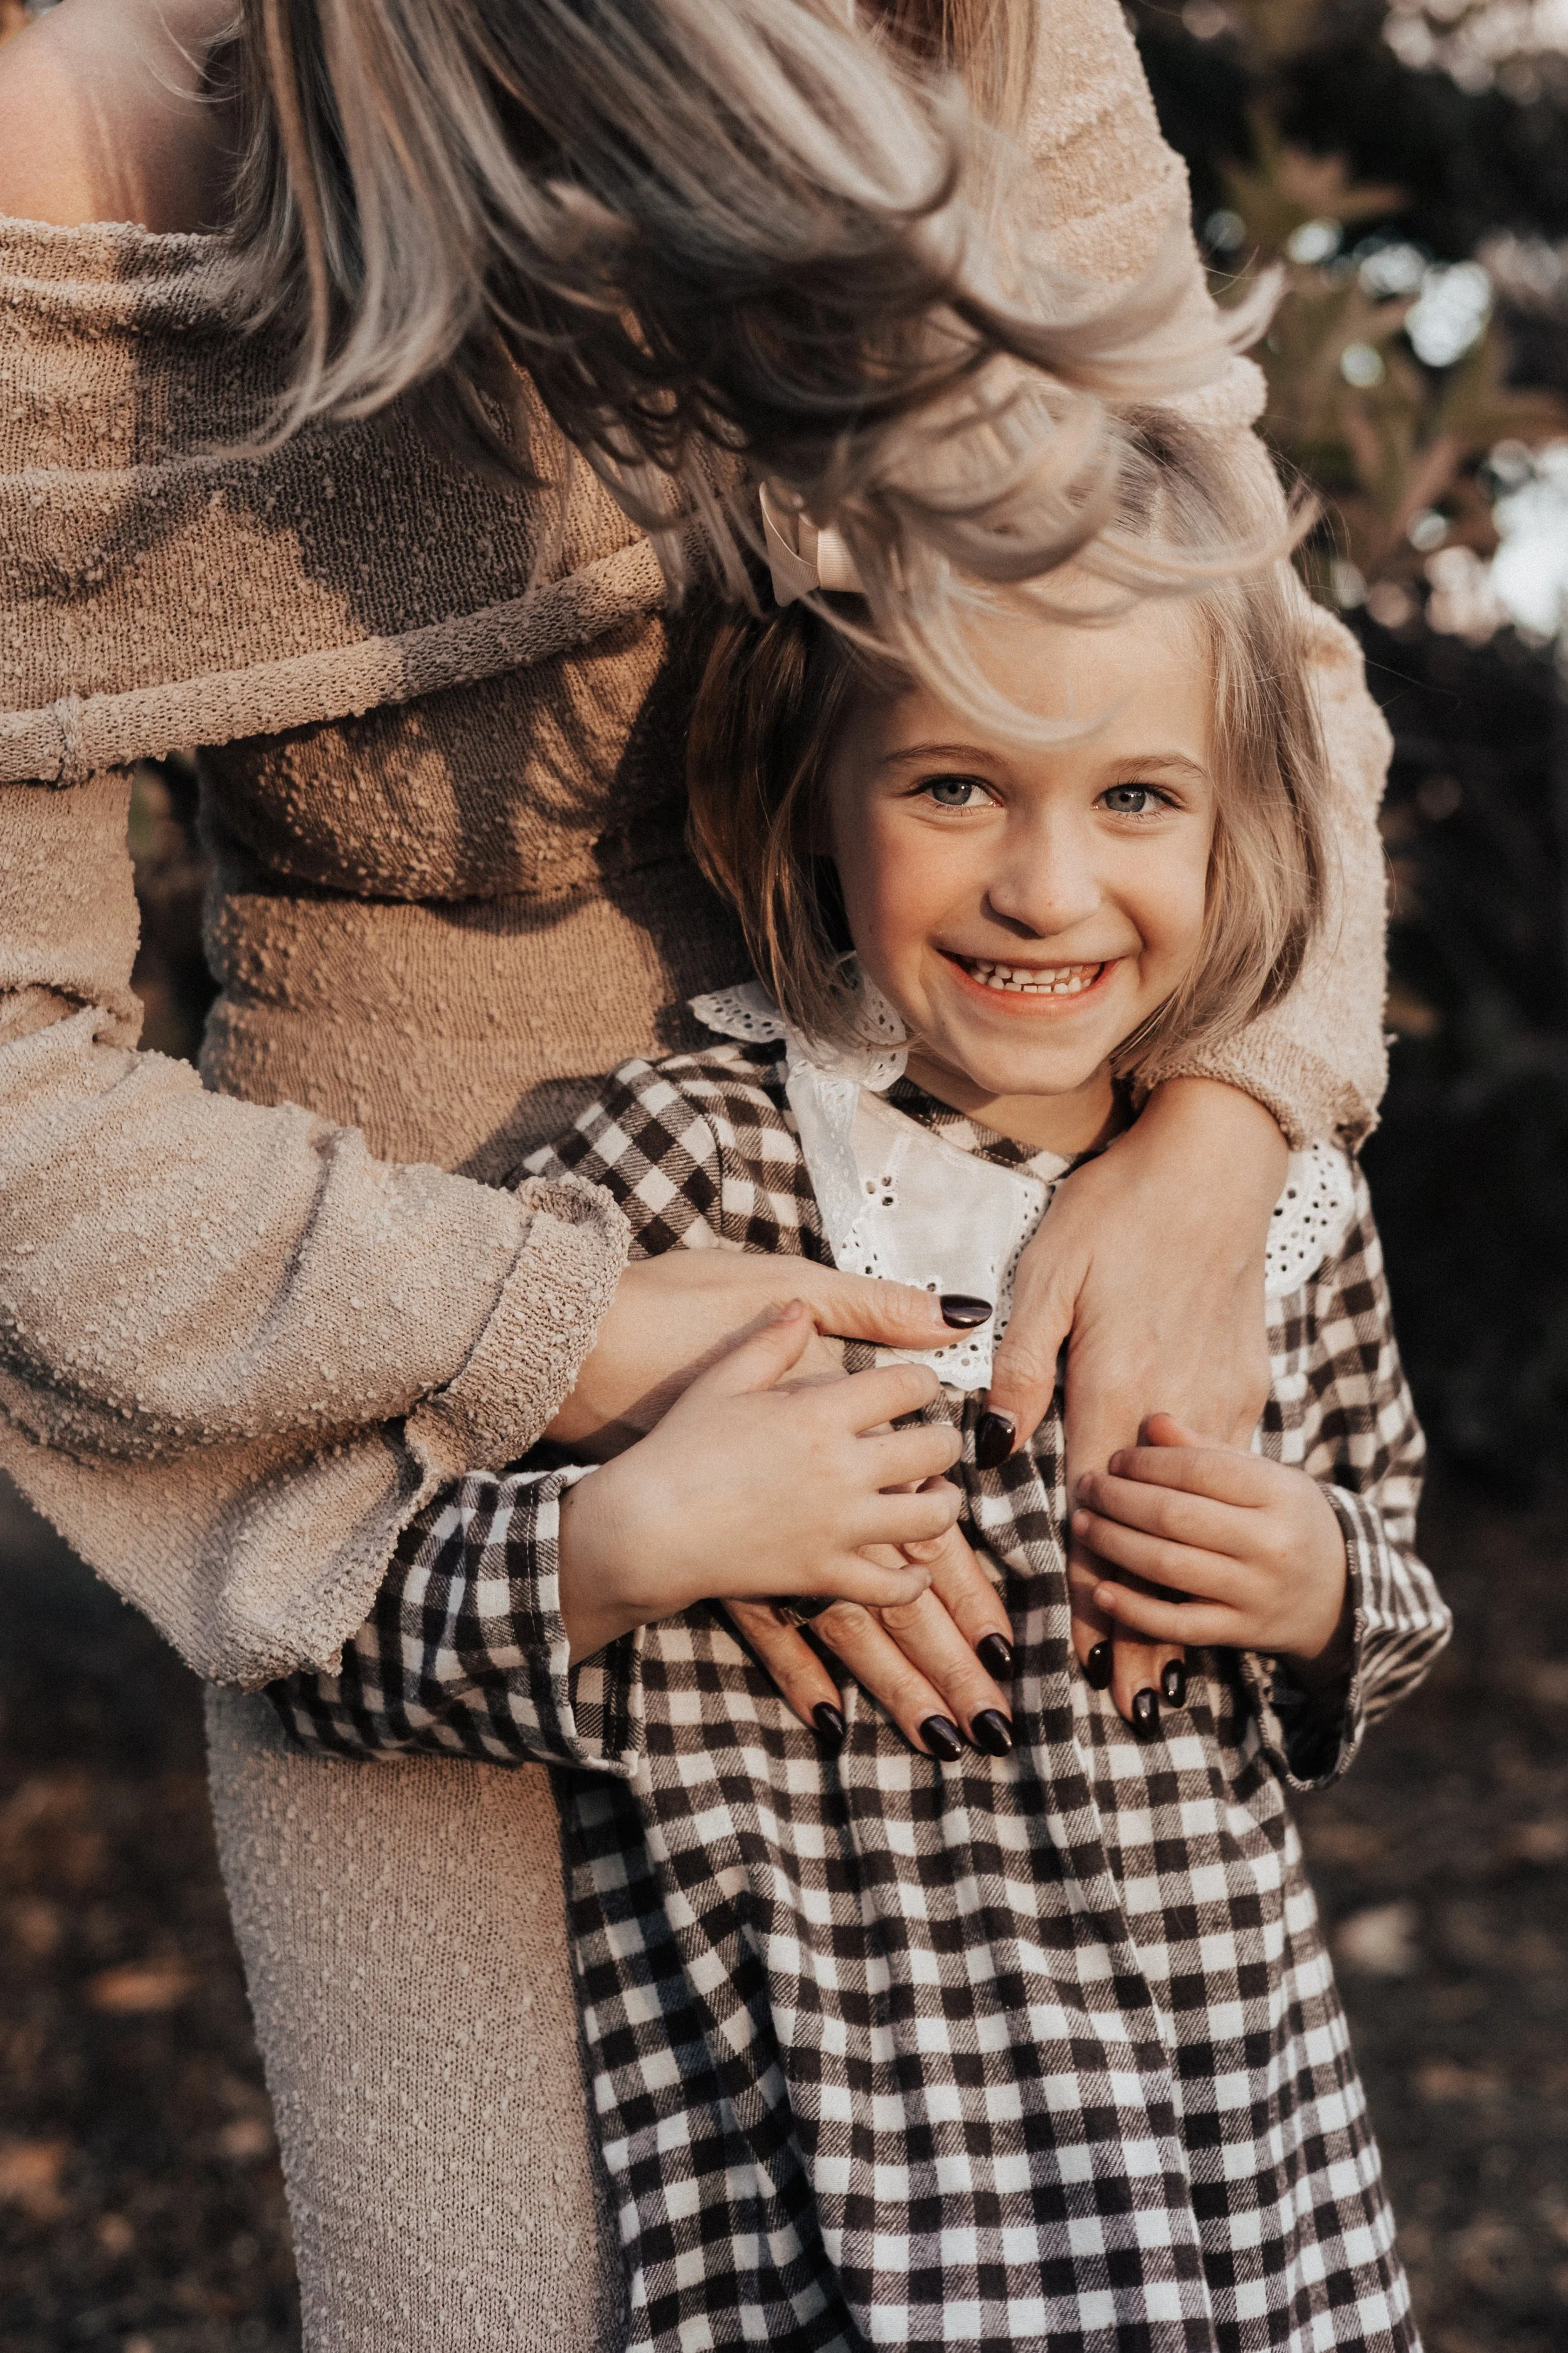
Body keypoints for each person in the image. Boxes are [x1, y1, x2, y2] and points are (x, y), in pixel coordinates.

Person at [0, 0, 1394, 2339]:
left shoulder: (980, 22)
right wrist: (566, 1332)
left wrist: (1222, 1127)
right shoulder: (61, 185)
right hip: (393, 1319)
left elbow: (1229, 615)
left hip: (989, 1127)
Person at [272, 411, 1449, 2350]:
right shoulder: (688, 1176)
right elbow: (324, 1619)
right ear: (813, 787)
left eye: (1136, 799)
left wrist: (1318, 1579)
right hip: (850, 2216)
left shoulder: (1275, 1213)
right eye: (958, 785)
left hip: (1245, 2182)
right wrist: (629, 1537)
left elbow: (1389, 1586)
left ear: (1243, 819)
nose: (1045, 889)